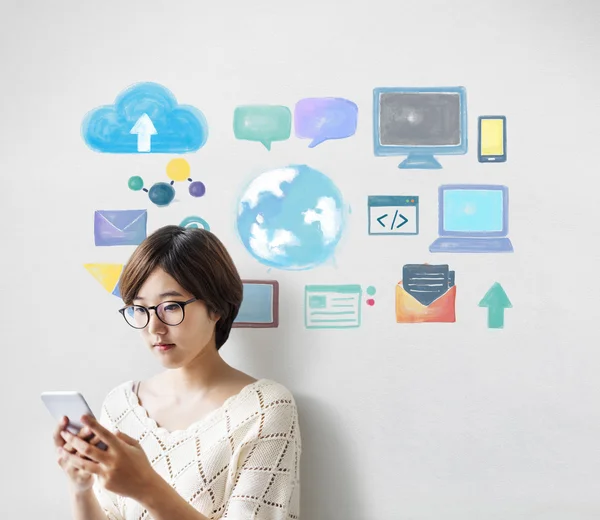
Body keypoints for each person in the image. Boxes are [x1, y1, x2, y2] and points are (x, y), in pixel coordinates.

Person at [52, 225, 301, 520]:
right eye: (140, 309)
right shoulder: (120, 406)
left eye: (170, 307)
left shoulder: (265, 408)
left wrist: (146, 486)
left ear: (217, 307)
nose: (153, 327)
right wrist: (80, 488)